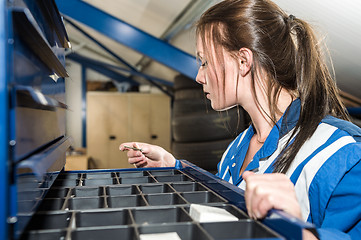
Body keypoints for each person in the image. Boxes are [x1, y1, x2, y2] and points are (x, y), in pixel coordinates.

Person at [120, 0, 361, 239]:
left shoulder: (342, 153)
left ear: (244, 61)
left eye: (204, 62)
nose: (198, 76)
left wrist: (297, 232)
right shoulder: (237, 149)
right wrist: (173, 168)